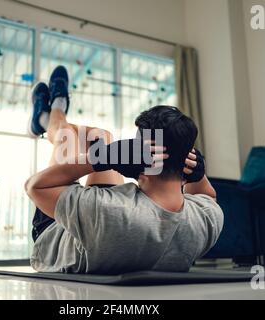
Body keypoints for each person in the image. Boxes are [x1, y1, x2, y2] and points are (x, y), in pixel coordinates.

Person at [24, 66, 223, 274]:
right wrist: (199, 175)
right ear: (187, 163)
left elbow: (35, 187)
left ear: (145, 161)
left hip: (56, 238)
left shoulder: (103, 209)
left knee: (66, 136)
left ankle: (52, 113)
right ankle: (45, 121)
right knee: (100, 136)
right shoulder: (207, 219)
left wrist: (105, 156)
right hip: (107, 228)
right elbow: (207, 197)